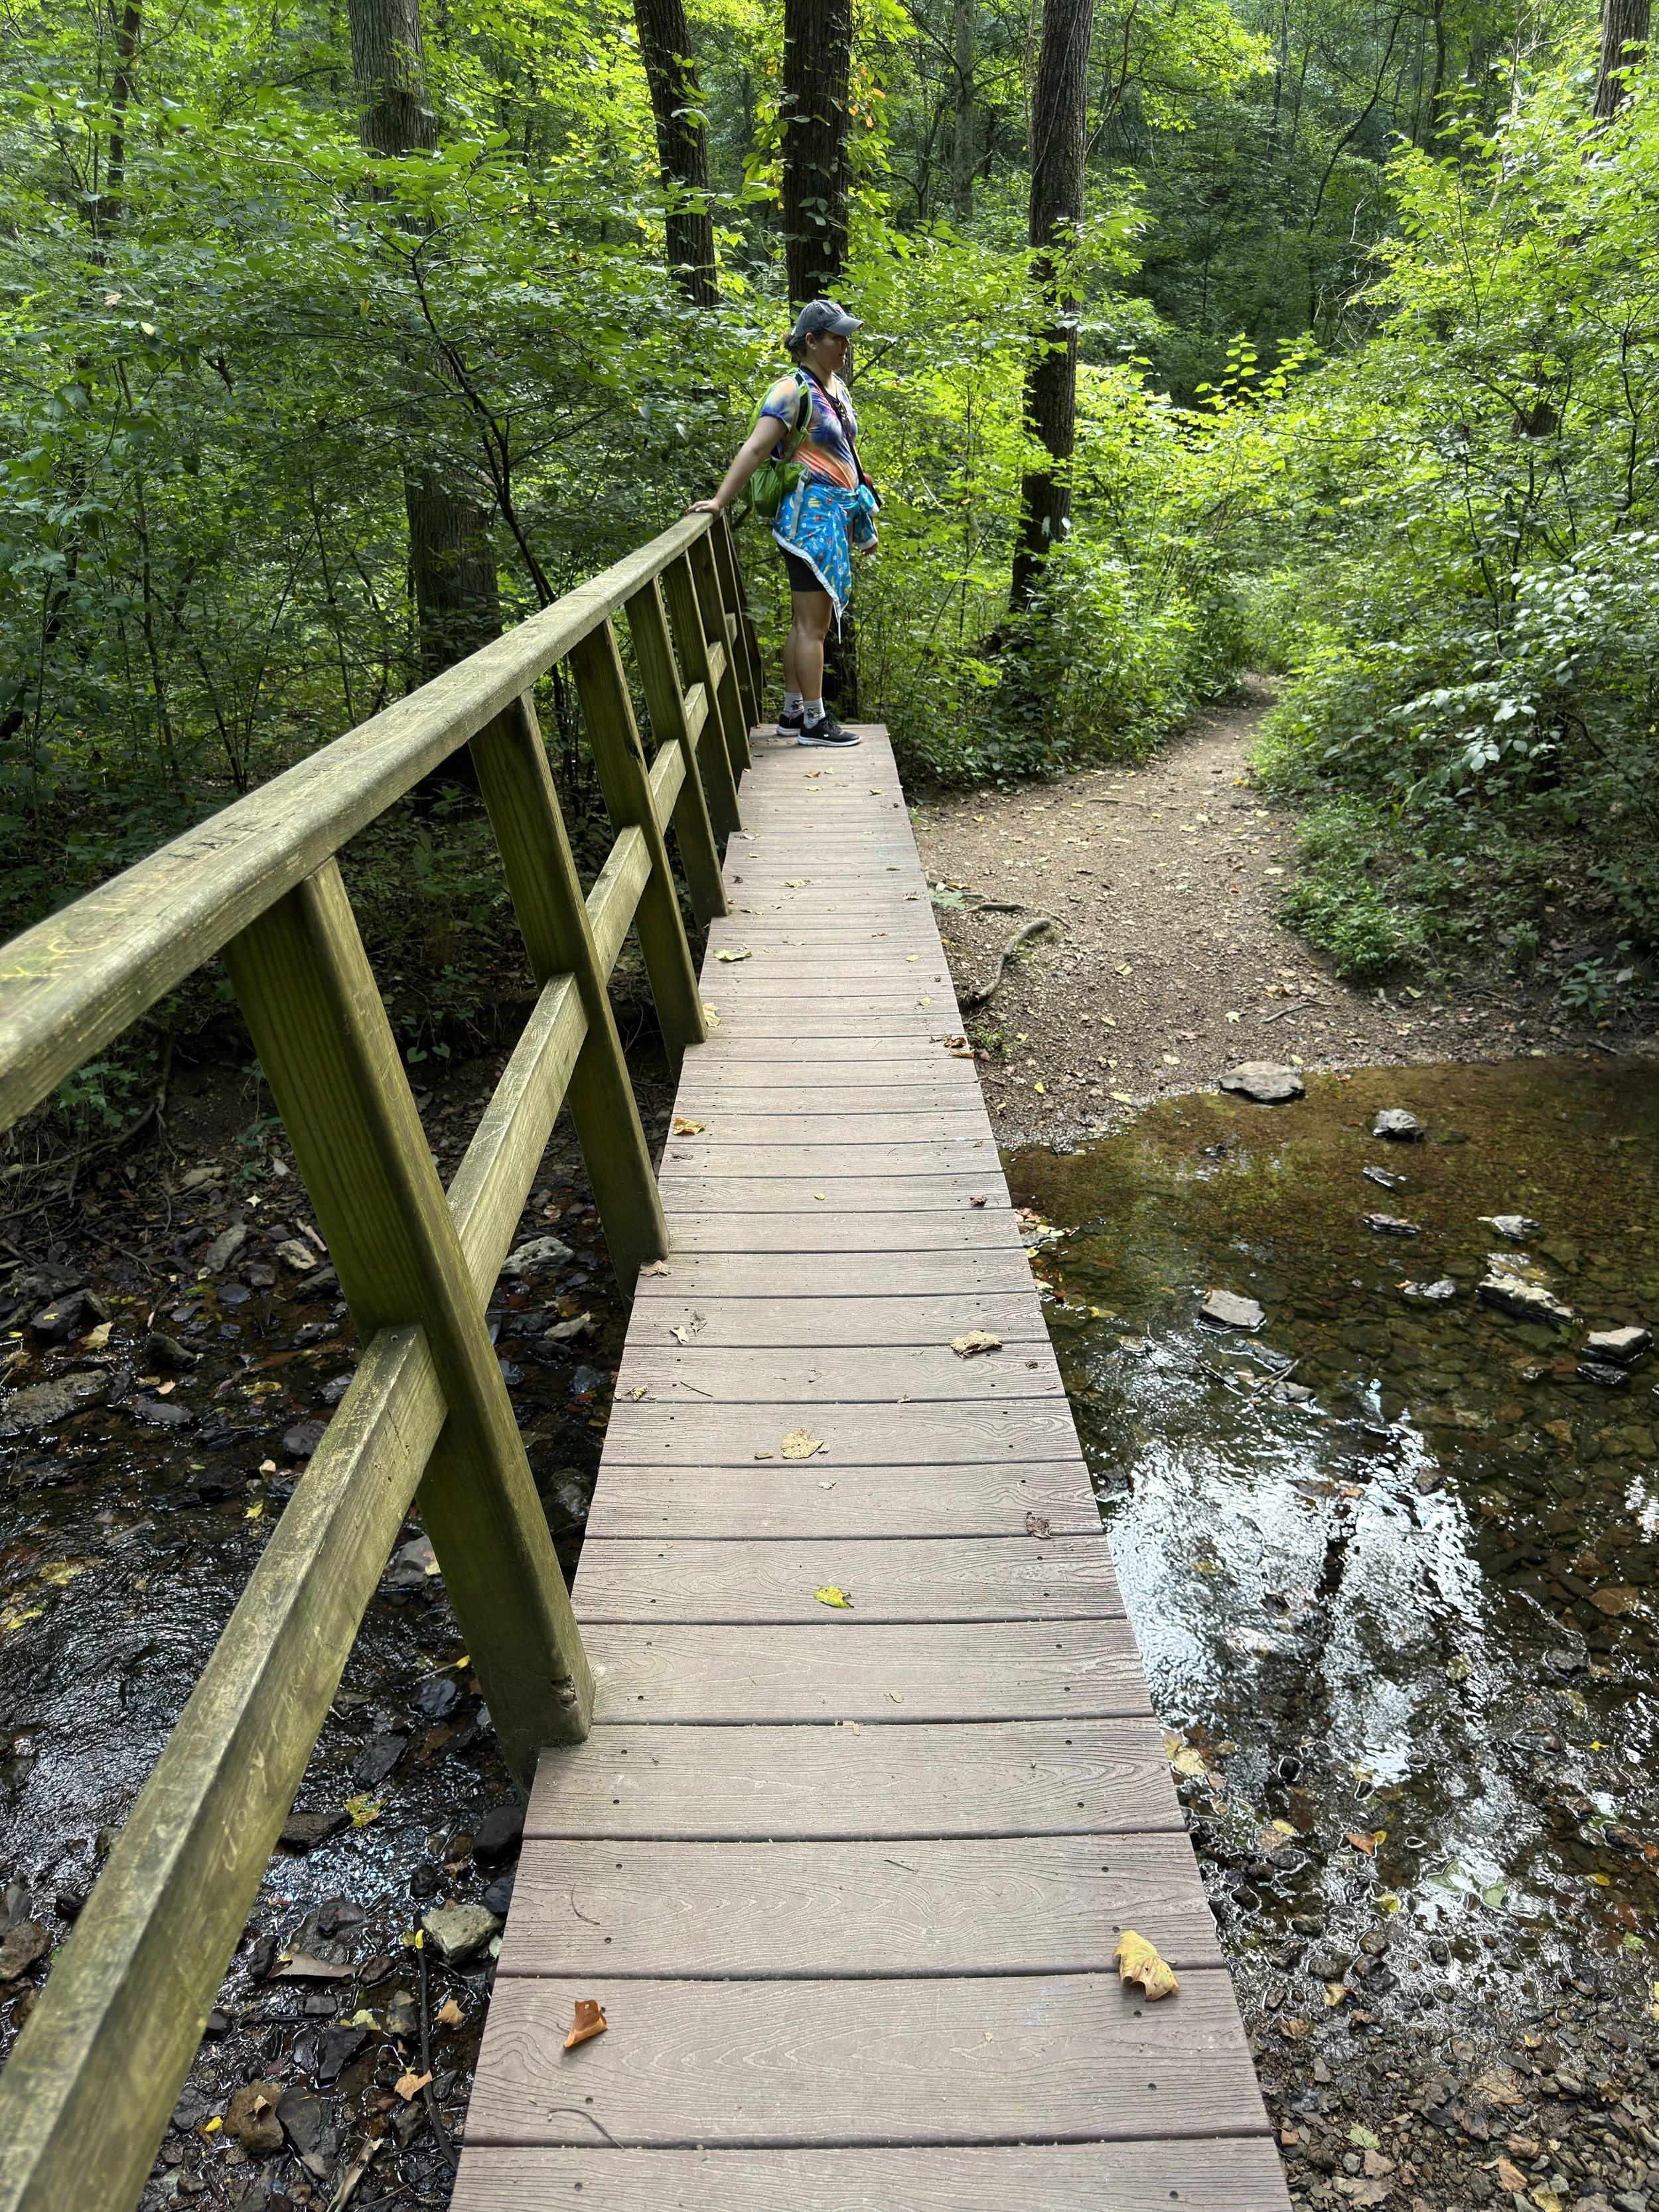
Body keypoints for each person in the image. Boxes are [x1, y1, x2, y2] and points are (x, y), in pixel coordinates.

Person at [688, 297, 879, 749]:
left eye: (848, 338)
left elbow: (842, 455)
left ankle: (793, 712)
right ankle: (815, 721)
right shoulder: (791, 391)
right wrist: (719, 501)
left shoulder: (837, 390)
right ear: (811, 341)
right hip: (808, 523)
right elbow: (756, 449)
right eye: (838, 338)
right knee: (814, 624)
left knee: (803, 621)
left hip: (831, 518)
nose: (846, 346)